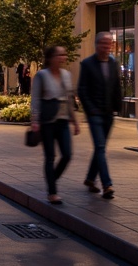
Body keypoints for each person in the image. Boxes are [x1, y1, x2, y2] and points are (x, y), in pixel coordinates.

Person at [30, 45, 80, 204]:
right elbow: (36, 99)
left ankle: (52, 178)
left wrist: (75, 121)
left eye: (64, 55)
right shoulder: (41, 76)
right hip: (47, 121)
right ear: (51, 58)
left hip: (63, 120)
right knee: (50, 156)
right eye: (60, 55)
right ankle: (52, 191)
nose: (63, 57)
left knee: (67, 155)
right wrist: (35, 120)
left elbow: (69, 98)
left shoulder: (66, 75)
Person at [76, 32, 123, 199]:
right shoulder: (88, 64)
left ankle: (90, 179)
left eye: (109, 43)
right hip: (94, 113)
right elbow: (81, 89)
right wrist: (90, 109)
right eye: (104, 43)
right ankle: (107, 184)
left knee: (100, 147)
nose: (107, 46)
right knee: (101, 147)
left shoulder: (113, 63)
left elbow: (117, 86)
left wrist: (118, 107)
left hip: (108, 112)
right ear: (97, 45)